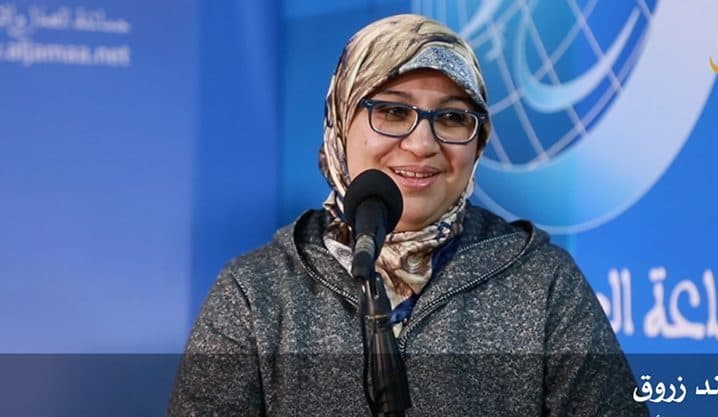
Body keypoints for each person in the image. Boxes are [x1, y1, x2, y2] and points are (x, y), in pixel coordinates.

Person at [168, 14, 649, 417]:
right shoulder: (256, 294)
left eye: (453, 117)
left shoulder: (542, 283)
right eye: (393, 112)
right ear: (340, 121)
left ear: (479, 141)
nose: (422, 144)